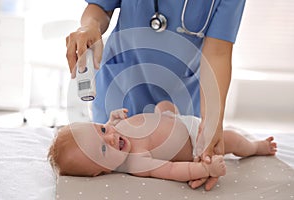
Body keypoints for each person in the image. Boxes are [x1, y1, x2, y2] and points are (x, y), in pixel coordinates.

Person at [65, 0, 246, 190]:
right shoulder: (121, 147)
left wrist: (212, 121)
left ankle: (255, 146)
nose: (107, 137)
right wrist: (90, 25)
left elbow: (218, 52)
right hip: (120, 84)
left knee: (192, 144)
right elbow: (101, 6)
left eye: (103, 131)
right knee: (109, 170)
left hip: (179, 92)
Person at [48, 101, 277, 190]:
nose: (109, 137)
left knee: (163, 104)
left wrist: (112, 120)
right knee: (232, 140)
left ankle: (167, 114)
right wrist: (207, 169)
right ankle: (256, 147)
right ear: (102, 171)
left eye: (102, 130)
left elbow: (109, 128)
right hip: (195, 141)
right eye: (104, 149)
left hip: (175, 120)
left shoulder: (114, 133)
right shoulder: (136, 161)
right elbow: (173, 170)